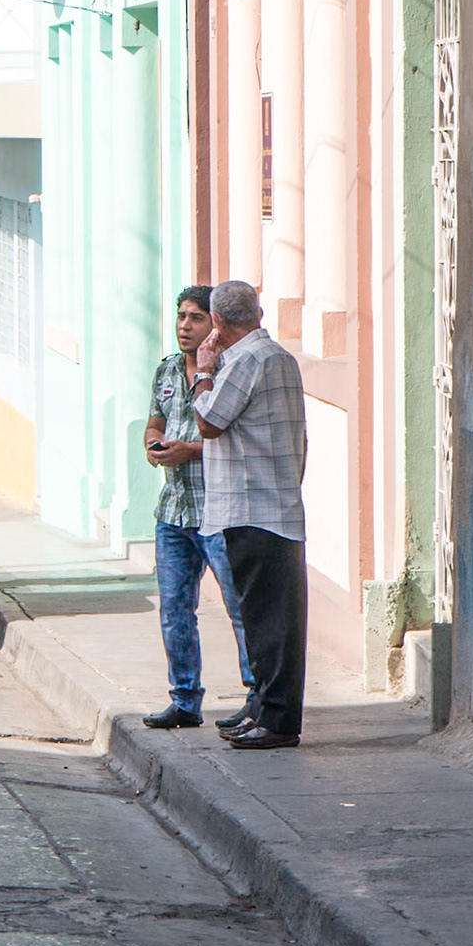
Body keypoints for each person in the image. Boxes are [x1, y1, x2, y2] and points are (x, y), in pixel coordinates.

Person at [193, 280, 310, 750]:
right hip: (276, 502)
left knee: (268, 621)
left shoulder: (244, 362)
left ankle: (277, 719)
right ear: (259, 313)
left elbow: (209, 422)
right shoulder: (279, 356)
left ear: (217, 323)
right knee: (265, 617)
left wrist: (203, 373)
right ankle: (262, 706)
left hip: (254, 506)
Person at [141, 285, 256, 731]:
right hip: (173, 511)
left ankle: (255, 695)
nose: (185, 326)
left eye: (195, 318)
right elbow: (154, 420)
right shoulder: (167, 370)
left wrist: (191, 451)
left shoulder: (229, 371)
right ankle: (185, 699)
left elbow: (238, 444)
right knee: (174, 609)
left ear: (216, 325)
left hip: (218, 511)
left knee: (238, 607)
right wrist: (154, 446)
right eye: (181, 317)